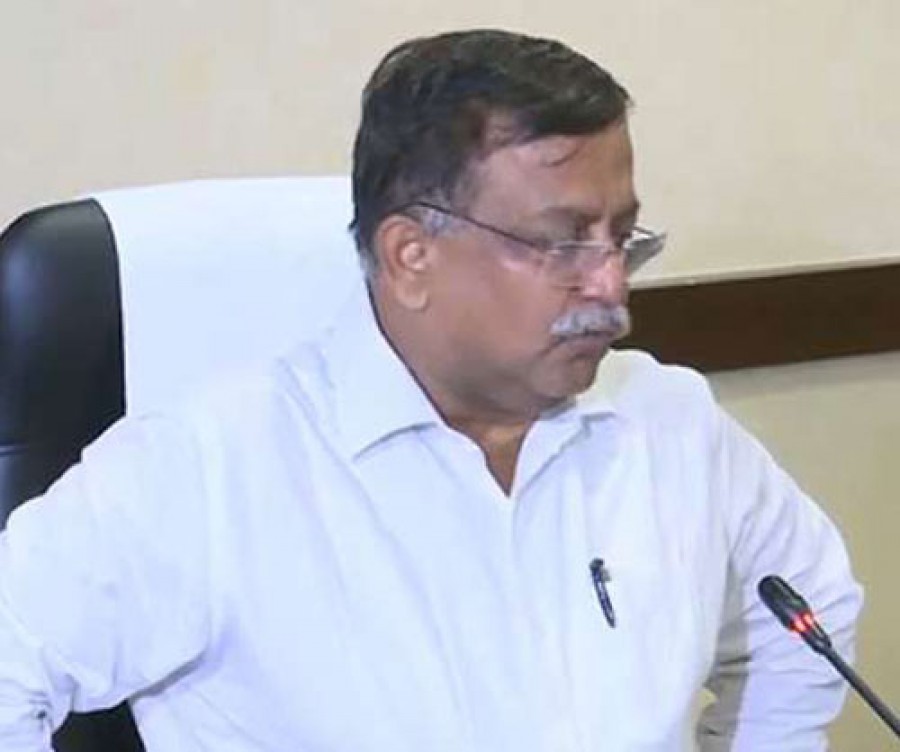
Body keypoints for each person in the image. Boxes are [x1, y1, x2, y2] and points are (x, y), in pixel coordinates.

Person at [0, 28, 861, 751]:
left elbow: (809, 618)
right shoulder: (214, 467)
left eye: (622, 238)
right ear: (412, 256)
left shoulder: (668, 423)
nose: (610, 288)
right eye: (564, 243)